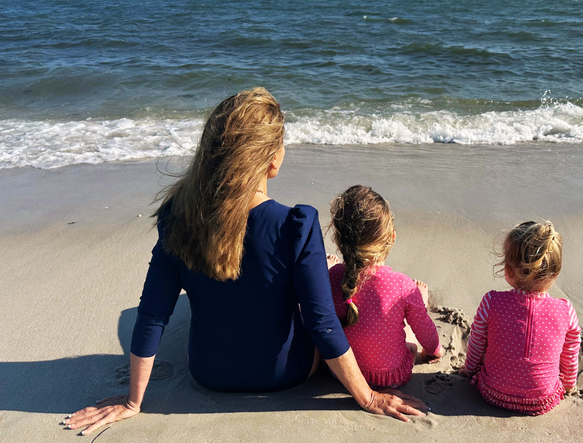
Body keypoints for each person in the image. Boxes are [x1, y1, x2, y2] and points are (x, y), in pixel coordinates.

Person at [63, 88, 427, 436]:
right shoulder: (294, 225)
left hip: (209, 372)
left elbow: (153, 314)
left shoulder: (177, 217)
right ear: (272, 160)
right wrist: (368, 397)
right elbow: (322, 324)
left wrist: (132, 401)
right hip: (288, 372)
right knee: (322, 301)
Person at [459, 221, 581, 415]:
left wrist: (470, 369)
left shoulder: (492, 302)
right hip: (543, 401)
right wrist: (568, 384)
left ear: (508, 271)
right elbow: (571, 352)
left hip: (493, 393)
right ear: (555, 273)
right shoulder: (565, 310)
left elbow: (477, 340)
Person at [328, 185, 442, 389]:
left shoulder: (332, 276)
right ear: (392, 237)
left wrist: (328, 270)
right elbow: (428, 338)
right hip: (390, 376)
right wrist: (434, 351)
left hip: (342, 372)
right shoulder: (402, 286)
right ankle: (420, 301)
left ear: (338, 239)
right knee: (410, 337)